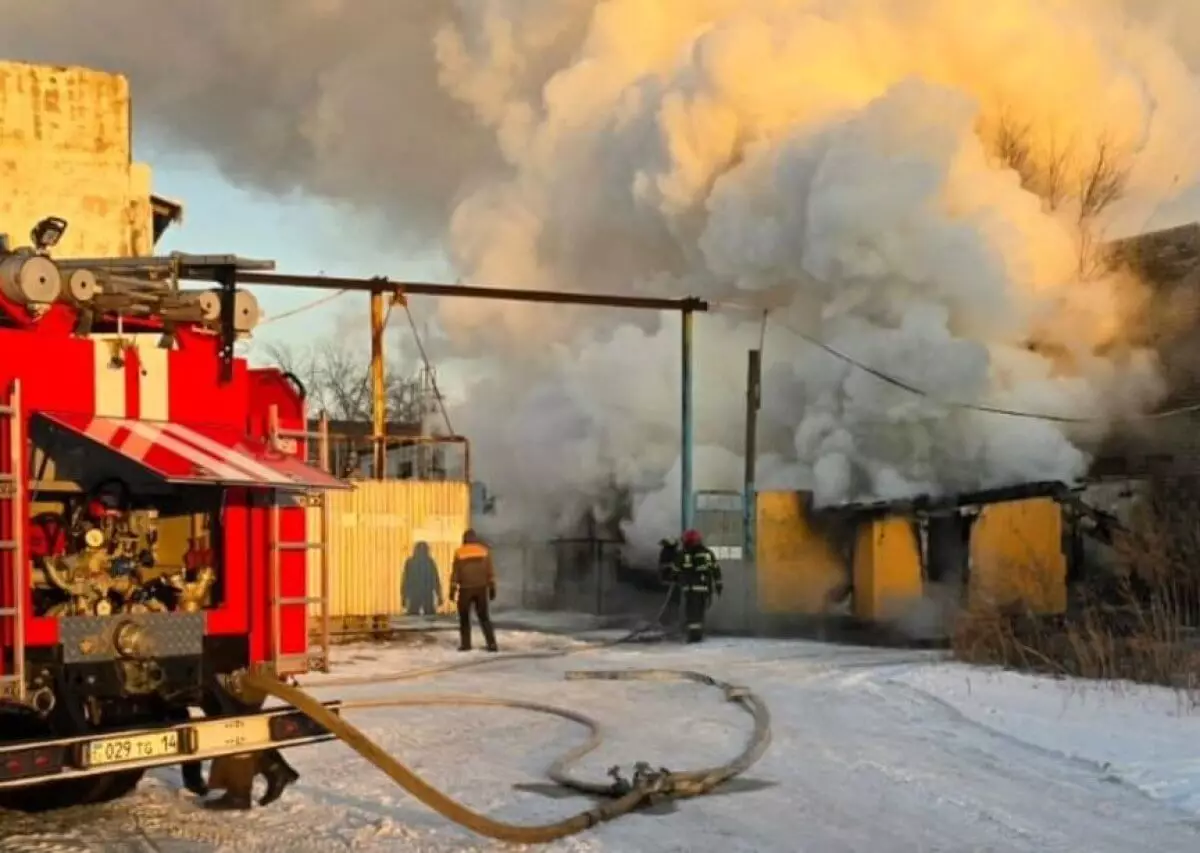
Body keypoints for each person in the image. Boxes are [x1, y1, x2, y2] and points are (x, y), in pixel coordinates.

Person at [449, 528, 499, 652]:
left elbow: (456, 572)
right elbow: (490, 570)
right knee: (484, 617)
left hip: (465, 589)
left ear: (464, 539)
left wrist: (453, 588)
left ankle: (466, 644)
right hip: (481, 589)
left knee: (464, 618)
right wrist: (492, 586)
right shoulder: (484, 551)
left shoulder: (459, 552)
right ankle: (491, 644)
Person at [671, 528, 723, 643]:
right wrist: (718, 586)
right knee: (699, 612)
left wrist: (675, 579)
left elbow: (674, 571)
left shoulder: (682, 554)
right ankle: (698, 634)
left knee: (692, 614)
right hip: (704, 589)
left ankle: (694, 636)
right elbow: (716, 570)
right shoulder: (708, 553)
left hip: (690, 590)